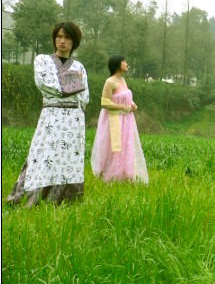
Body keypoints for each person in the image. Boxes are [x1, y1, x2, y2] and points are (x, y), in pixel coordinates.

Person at [6, 22, 89, 206]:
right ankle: (35, 197)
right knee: (43, 153)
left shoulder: (79, 67)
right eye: (59, 36)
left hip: (74, 119)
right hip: (51, 116)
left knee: (69, 157)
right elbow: (46, 84)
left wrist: (67, 86)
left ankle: (67, 199)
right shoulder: (42, 60)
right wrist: (72, 85)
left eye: (67, 37)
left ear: (74, 42)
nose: (62, 41)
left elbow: (85, 96)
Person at [91, 55, 149, 183]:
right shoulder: (110, 82)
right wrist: (124, 107)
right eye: (124, 61)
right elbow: (105, 103)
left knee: (125, 145)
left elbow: (125, 97)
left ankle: (124, 174)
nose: (127, 64)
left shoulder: (123, 80)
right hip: (114, 119)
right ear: (117, 64)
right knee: (113, 146)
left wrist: (132, 104)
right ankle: (109, 174)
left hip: (127, 119)